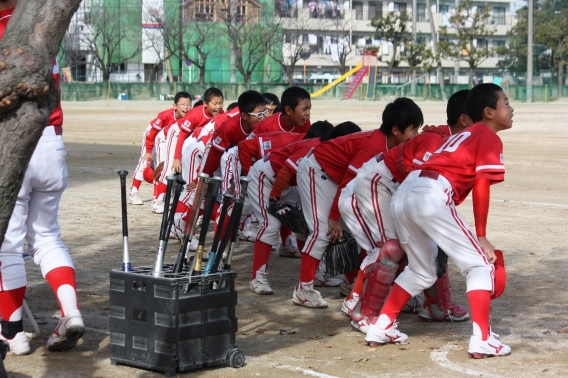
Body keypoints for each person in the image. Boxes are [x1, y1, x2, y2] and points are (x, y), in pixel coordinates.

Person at [364, 84, 513, 359]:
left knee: (422, 271)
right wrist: (481, 234)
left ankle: (381, 326)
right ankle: (482, 338)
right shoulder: (488, 136)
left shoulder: (465, 133)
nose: (511, 108)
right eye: (506, 102)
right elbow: (482, 185)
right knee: (479, 263)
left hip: (406, 192)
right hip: (431, 193)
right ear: (489, 112)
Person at [341, 90, 472, 332]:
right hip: (379, 181)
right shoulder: (437, 140)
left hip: (399, 186)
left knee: (432, 242)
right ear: (465, 119)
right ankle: (363, 311)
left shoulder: (459, 141)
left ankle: (436, 306)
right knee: (392, 248)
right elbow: (417, 180)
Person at [0, 0, 84, 355]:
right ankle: (71, 312)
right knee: (47, 237)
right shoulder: (42, 18)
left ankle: (12, 332)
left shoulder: (7, 22)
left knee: (7, 242)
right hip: (51, 140)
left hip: (14, 140)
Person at [294, 98, 422, 308]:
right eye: (413, 130)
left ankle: (351, 284)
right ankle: (303, 290)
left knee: (356, 232)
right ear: (396, 130)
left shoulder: (391, 144)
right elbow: (348, 180)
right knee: (323, 230)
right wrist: (334, 217)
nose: (416, 135)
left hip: (338, 178)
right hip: (317, 170)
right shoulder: (374, 146)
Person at [249, 121, 360, 295]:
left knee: (307, 227)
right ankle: (257, 277)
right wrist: (275, 198)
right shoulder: (315, 146)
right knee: (270, 226)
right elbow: (286, 170)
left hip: (293, 182)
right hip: (266, 178)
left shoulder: (332, 151)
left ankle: (315, 274)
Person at [152, 88, 224, 213]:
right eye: (215, 103)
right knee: (170, 168)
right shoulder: (196, 113)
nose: (218, 107)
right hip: (177, 134)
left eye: (220, 103)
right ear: (205, 104)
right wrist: (176, 158)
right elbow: (181, 135)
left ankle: (192, 207)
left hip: (193, 138)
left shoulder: (220, 113)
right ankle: (157, 201)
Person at [129, 92, 191, 205]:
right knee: (144, 162)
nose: (186, 108)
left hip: (166, 138)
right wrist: (148, 151)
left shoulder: (188, 118)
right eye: (182, 104)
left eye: (188, 104)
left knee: (164, 165)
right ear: (175, 106)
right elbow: (152, 133)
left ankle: (161, 194)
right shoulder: (166, 115)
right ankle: (133, 193)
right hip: (152, 135)